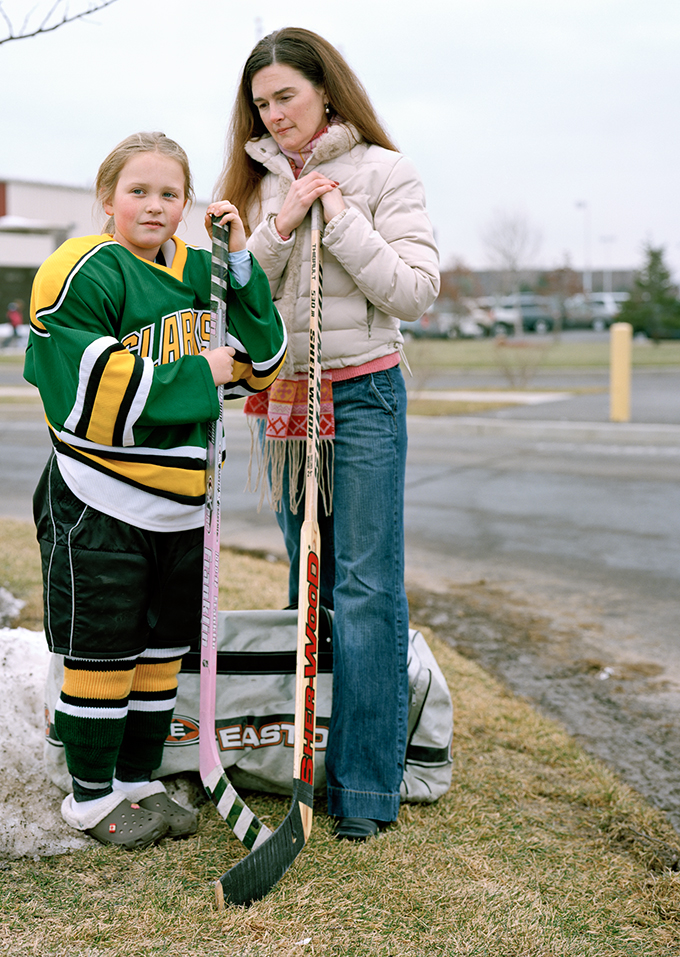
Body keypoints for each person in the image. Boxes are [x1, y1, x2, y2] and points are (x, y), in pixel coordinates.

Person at [24, 132, 287, 849]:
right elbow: (78, 384)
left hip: (186, 507)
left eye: (170, 192)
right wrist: (203, 375)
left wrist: (240, 264)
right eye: (138, 190)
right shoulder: (82, 269)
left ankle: (137, 780)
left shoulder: (205, 271)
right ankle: (90, 795)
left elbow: (264, 359)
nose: (155, 205)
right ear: (106, 197)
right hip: (100, 498)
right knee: (102, 651)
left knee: (159, 654)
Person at [217, 27, 440, 841]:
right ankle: (298, 764)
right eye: (261, 102)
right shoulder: (247, 186)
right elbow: (234, 299)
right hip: (286, 400)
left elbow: (414, 291)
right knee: (306, 585)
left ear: (326, 90)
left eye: (287, 96)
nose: (274, 116)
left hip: (367, 393)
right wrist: (278, 227)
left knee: (366, 586)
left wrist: (336, 213)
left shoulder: (388, 172)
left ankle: (365, 789)